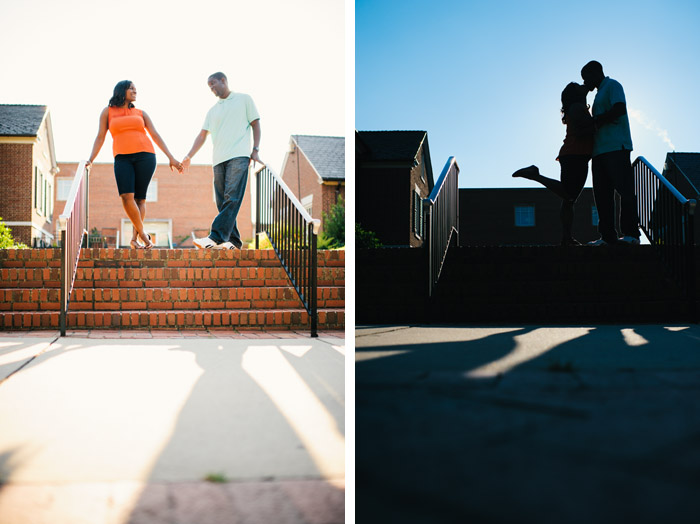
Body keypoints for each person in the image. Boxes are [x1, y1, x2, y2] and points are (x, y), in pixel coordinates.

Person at [87, 80, 182, 249]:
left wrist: (171, 157)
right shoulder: (107, 112)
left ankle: (134, 238)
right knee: (126, 196)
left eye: (135, 89)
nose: (135, 91)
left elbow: (155, 134)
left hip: (146, 156)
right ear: (121, 91)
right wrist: (91, 159)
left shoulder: (141, 113)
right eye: (131, 88)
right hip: (122, 158)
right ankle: (143, 234)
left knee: (140, 199)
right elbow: (100, 137)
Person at [182, 72, 261, 250]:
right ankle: (233, 241)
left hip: (239, 156)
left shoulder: (244, 99)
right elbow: (202, 135)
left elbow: (256, 123)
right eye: (208, 86)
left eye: (213, 83)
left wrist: (255, 150)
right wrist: (189, 156)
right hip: (218, 160)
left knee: (232, 197)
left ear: (223, 80)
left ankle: (215, 236)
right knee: (222, 202)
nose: (211, 88)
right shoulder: (212, 110)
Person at [512, 82, 594, 246]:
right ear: (575, 94)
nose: (582, 85)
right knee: (569, 195)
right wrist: (598, 125)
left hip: (572, 154)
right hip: (576, 154)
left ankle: (566, 238)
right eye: (578, 86)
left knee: (569, 200)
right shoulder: (578, 107)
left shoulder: (575, 107)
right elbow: (582, 131)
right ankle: (535, 175)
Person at [580, 60, 640, 246]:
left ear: (596, 73)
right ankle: (607, 236)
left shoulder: (613, 85)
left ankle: (631, 234)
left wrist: (597, 120)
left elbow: (619, 108)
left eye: (586, 78)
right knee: (602, 195)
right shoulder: (598, 95)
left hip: (616, 147)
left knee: (625, 190)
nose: (585, 83)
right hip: (599, 151)